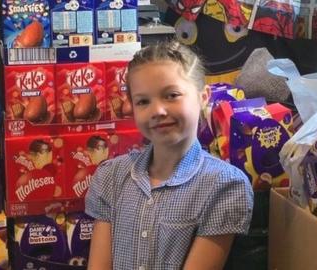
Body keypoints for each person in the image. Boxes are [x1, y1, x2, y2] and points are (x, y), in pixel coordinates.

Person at [85, 40, 254, 270]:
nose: (157, 111)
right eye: (143, 101)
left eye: (172, 95)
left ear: (203, 97)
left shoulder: (224, 185)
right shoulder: (111, 177)